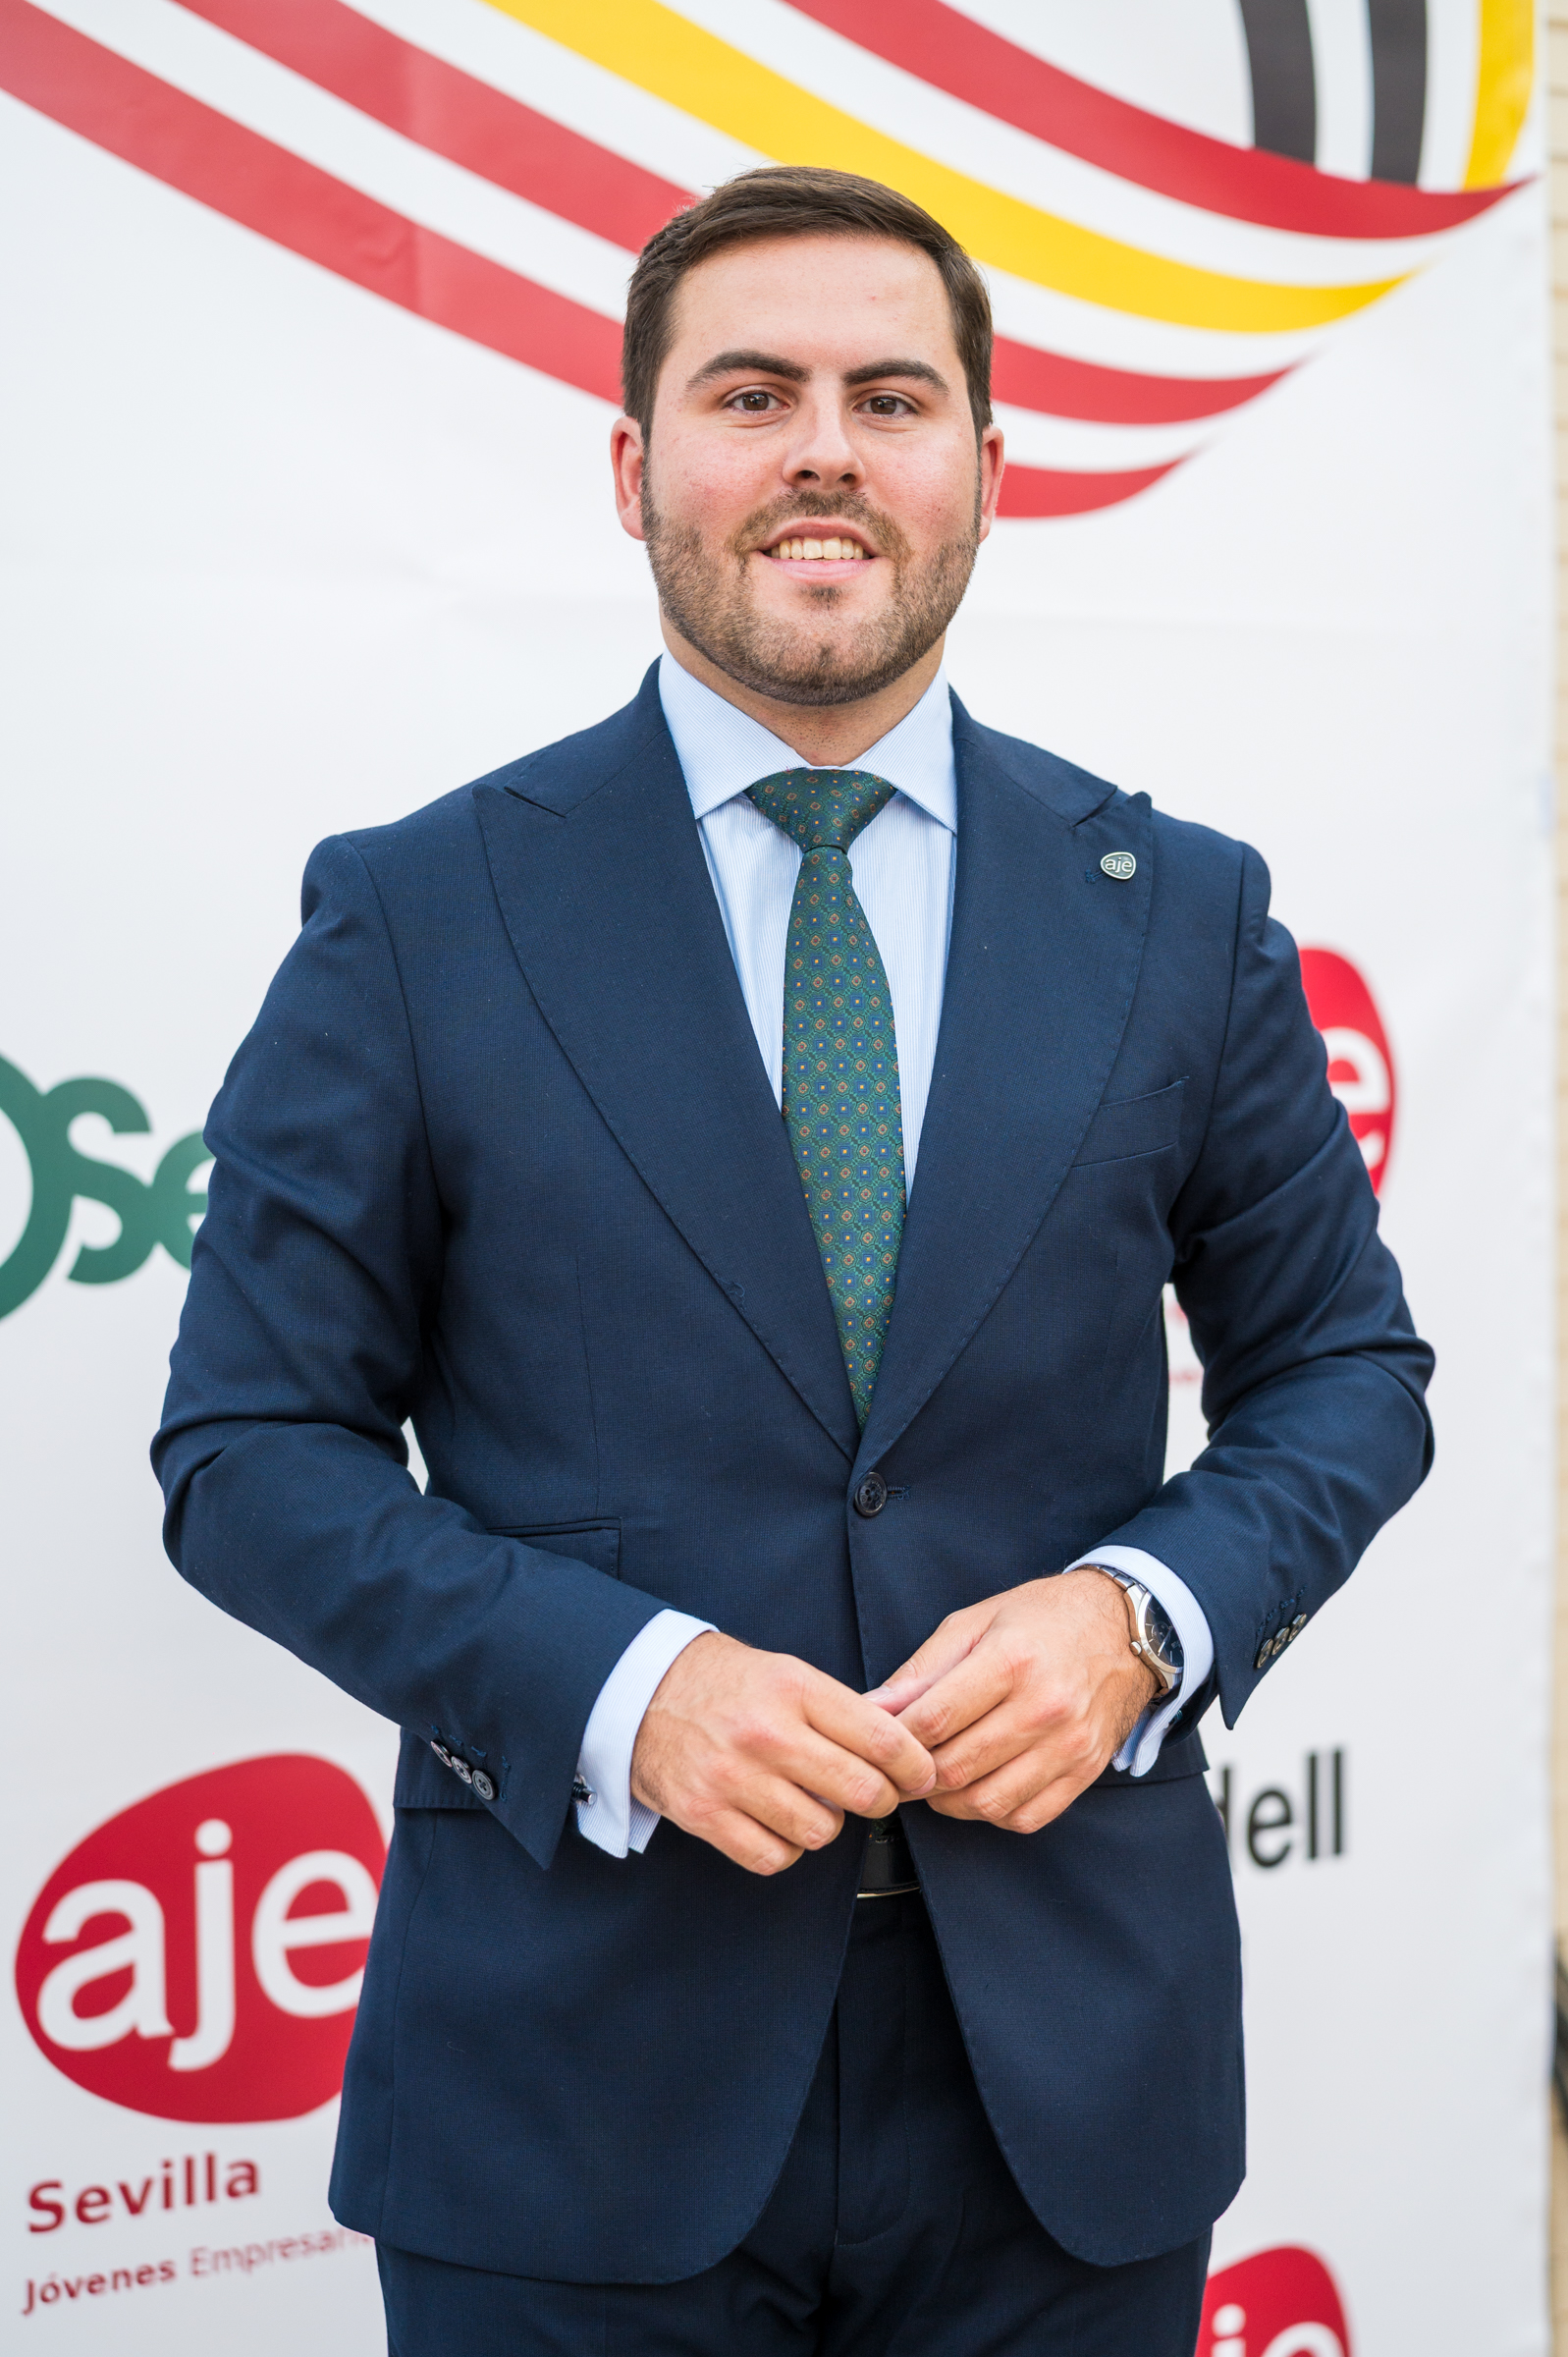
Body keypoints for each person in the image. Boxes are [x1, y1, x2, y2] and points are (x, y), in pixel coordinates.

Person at [153, 166, 1433, 2355]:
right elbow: (249, 1452)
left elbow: (1342, 1372)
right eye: (752, 396)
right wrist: (622, 1689)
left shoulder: (1183, 911)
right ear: (635, 467)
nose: (824, 451)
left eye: (889, 399)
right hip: (570, 2089)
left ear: (985, 470)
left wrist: (1140, 1618)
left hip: (1069, 2096)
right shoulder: (416, 913)